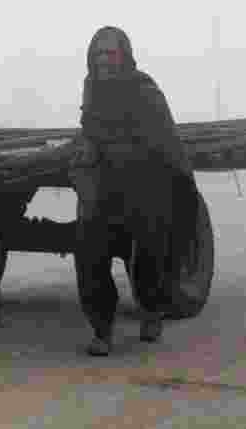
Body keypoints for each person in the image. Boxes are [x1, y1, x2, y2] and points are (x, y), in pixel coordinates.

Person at [69, 26, 201, 356]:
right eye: (97, 54)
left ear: (124, 56)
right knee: (88, 252)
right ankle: (102, 328)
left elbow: (162, 144)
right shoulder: (92, 89)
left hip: (145, 184)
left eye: (109, 53)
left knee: (150, 254)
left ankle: (152, 310)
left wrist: (117, 151)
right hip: (105, 187)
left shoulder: (144, 90)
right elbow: (90, 128)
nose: (102, 60)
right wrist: (85, 148)